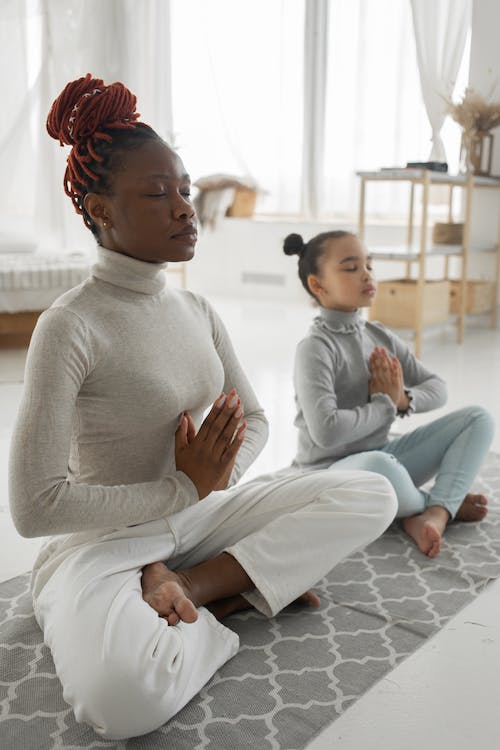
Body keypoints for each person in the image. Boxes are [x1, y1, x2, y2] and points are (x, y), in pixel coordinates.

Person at [8, 75, 398, 741]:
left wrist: (203, 489)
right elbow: (34, 508)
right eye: (158, 195)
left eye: (184, 190)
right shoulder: (69, 325)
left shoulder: (195, 309)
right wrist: (179, 487)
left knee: (372, 494)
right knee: (121, 700)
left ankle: (189, 588)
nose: (185, 209)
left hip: (198, 519)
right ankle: (231, 596)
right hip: (102, 543)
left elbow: (258, 419)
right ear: (101, 209)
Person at [284, 230, 495, 560]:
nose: (367, 273)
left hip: (384, 460)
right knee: (381, 465)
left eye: (369, 264)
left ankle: (432, 513)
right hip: (328, 475)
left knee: (478, 418)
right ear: (318, 285)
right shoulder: (315, 348)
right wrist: (384, 405)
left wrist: (402, 401)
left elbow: (437, 388)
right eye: (351, 267)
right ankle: (442, 504)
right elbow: (325, 432)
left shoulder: (378, 334)